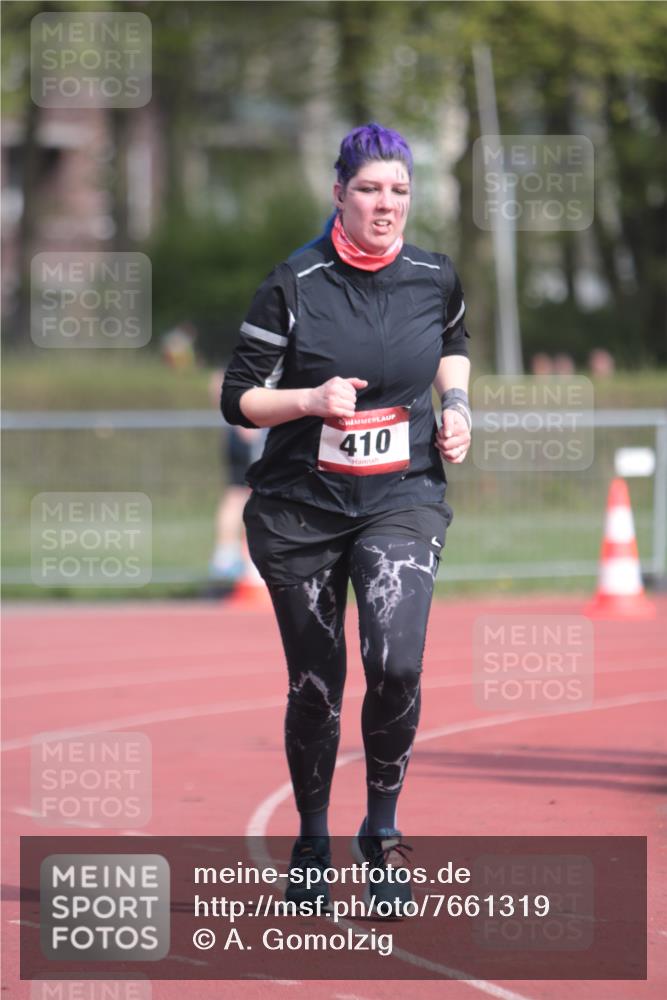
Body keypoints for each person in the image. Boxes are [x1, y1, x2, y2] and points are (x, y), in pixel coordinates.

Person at [222, 123, 471, 914]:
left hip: (401, 497)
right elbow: (237, 398)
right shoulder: (294, 283)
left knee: (395, 664)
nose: (385, 205)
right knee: (316, 686)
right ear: (338, 193)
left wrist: (457, 406)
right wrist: (308, 399)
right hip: (301, 509)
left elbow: (454, 341)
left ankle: (381, 833)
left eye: (398, 190)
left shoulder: (433, 275)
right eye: (368, 189)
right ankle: (310, 840)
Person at [208, 369, 267, 580]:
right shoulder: (254, 359)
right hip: (248, 432)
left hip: (246, 429)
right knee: (240, 494)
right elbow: (218, 382)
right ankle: (228, 555)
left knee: (239, 494)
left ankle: (230, 554)